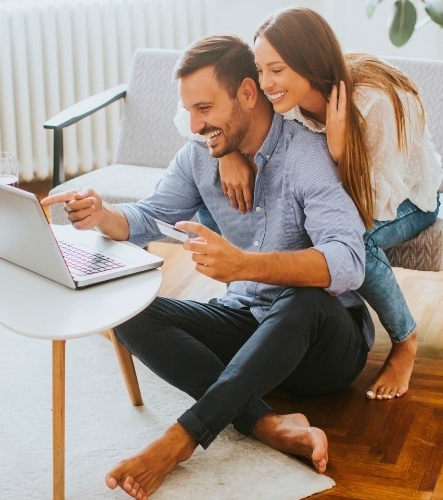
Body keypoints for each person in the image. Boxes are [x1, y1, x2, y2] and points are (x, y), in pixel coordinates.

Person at [41, 34, 374, 500]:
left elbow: (349, 261)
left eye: (204, 109)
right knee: (125, 311)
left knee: (304, 300)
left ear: (246, 93)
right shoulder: (202, 156)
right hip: (249, 323)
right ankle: (264, 423)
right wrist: (104, 216)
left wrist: (246, 264)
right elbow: (151, 215)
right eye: (190, 111)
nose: (195, 125)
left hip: (324, 345)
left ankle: (180, 441)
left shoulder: (306, 156)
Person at [216, 7, 443, 401]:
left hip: (405, 199)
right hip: (353, 199)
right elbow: (201, 109)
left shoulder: (374, 103)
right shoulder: (285, 96)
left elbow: (371, 203)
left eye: (277, 69)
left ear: (308, 62)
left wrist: (341, 152)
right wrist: (227, 153)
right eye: (260, 69)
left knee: (356, 243)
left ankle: (405, 340)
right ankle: (268, 320)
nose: (265, 82)